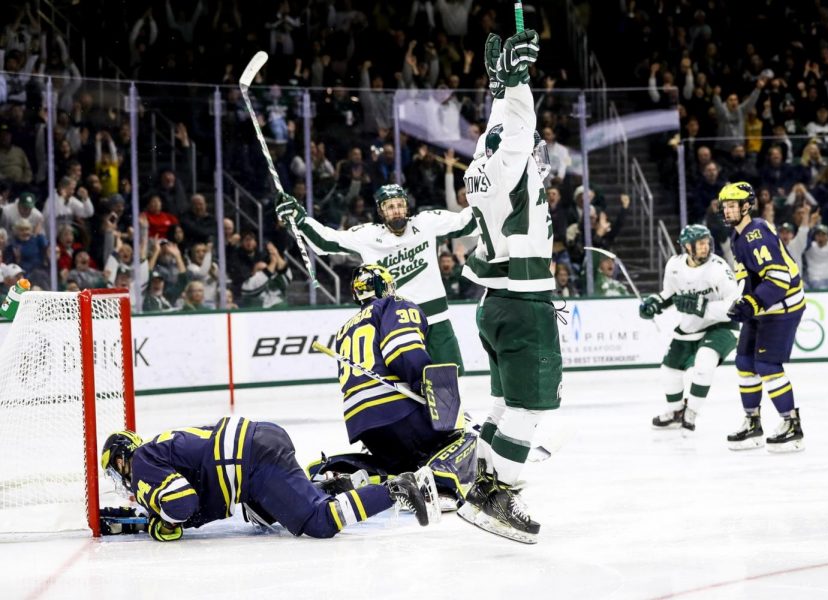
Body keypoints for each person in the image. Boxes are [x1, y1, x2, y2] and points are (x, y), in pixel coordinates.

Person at [457, 30, 558, 544]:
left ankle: (478, 484)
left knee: (501, 406)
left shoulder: (481, 169)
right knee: (529, 407)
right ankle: (498, 496)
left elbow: (505, 129)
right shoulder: (511, 160)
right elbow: (520, 127)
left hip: (494, 303)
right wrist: (515, 81)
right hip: (523, 305)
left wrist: (499, 86)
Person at [100, 420, 439, 542]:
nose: (121, 477)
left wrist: (166, 521)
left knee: (317, 523)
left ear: (120, 458)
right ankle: (329, 488)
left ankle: (396, 489)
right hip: (258, 445)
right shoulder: (156, 451)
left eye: (115, 470)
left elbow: (181, 503)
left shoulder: (142, 462)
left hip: (253, 462)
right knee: (259, 517)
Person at [309, 264, 475, 508]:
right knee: (465, 434)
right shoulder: (394, 305)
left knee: (402, 464)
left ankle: (345, 475)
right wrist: (427, 388)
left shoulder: (344, 329)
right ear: (385, 286)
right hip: (398, 411)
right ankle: (439, 487)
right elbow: (403, 351)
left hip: (363, 424)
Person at [275, 183, 477, 372]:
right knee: (408, 382)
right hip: (399, 324)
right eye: (389, 206)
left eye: (400, 205)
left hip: (437, 319)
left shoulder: (427, 223)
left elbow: (467, 222)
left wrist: (491, 194)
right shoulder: (368, 236)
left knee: (451, 373)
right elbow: (327, 241)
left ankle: (454, 412)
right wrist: (300, 219)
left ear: (407, 207)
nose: (396, 210)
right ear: (381, 211)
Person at [717, 182, 805, 453]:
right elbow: (744, 273)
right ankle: (753, 422)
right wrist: (742, 300)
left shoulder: (756, 234)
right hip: (763, 306)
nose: (728, 209)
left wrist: (752, 303)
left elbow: (779, 279)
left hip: (782, 307)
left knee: (767, 365)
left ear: (746, 206)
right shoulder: (737, 235)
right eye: (725, 205)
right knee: (744, 362)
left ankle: (792, 425)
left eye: (733, 205)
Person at [639, 225, 740, 433]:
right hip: (690, 326)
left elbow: (735, 305)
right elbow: (670, 293)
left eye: (706, 242)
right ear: (687, 246)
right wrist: (655, 303)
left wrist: (703, 307)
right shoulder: (674, 266)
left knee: (704, 364)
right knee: (668, 372)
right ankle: (676, 411)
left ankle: (691, 412)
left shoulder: (719, 268)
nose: (705, 247)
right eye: (700, 243)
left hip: (721, 326)